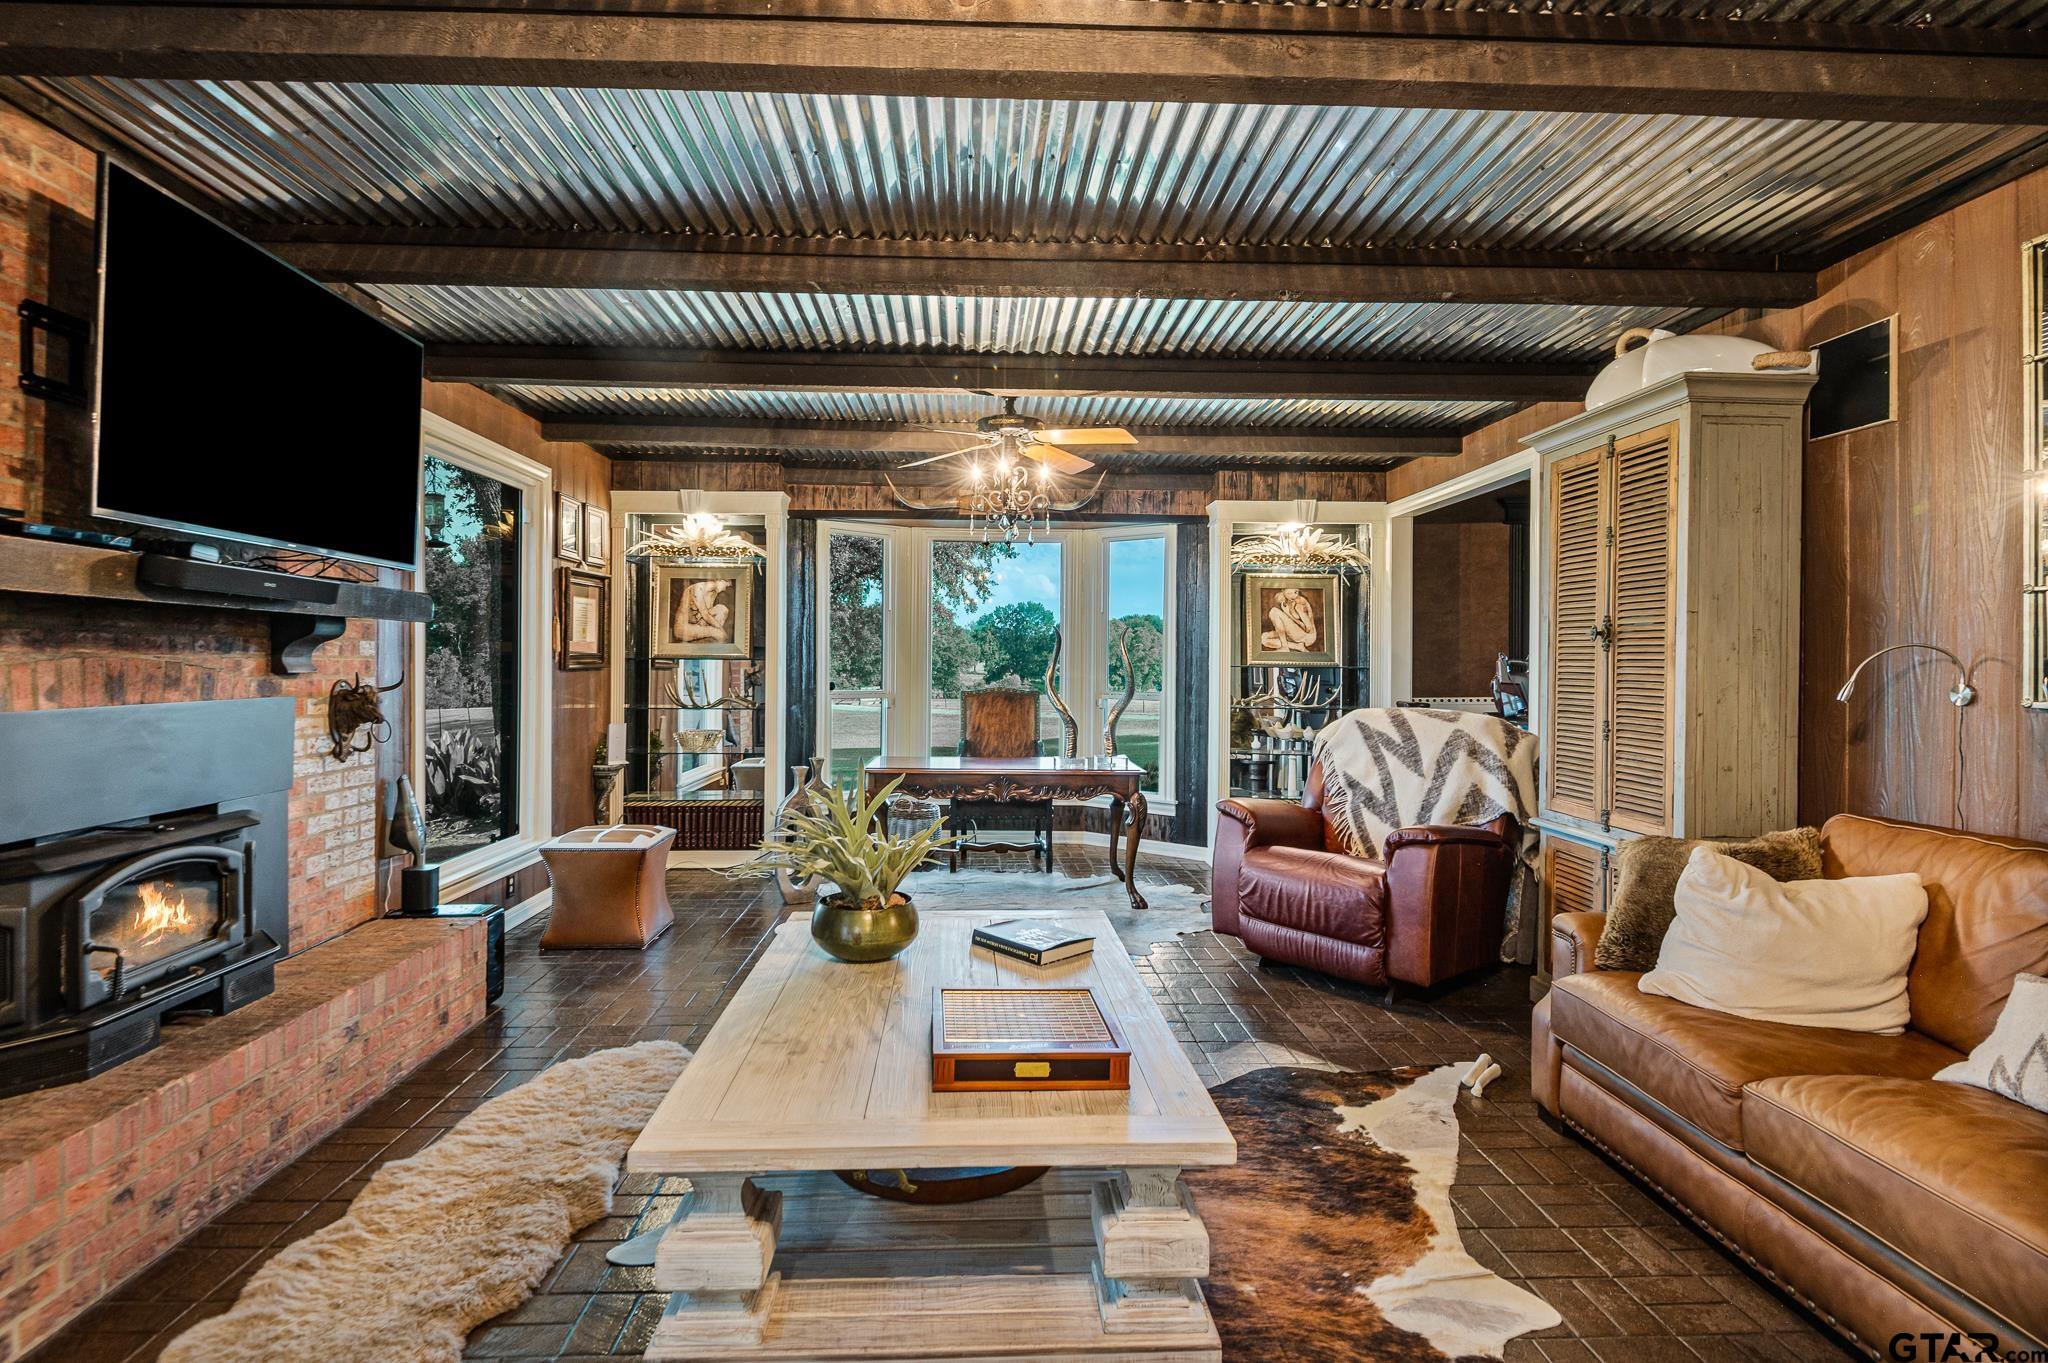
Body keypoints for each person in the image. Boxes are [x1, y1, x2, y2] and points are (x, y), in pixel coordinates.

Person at [1261, 586, 1320, 652]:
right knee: (1263, 638)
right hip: (1295, 634)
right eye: (1289, 593)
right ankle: (1297, 646)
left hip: (1307, 637)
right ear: (1283, 592)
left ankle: (1285, 647)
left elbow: (1308, 629)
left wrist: (1290, 616)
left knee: (1274, 611)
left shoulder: (1300, 603)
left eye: (1295, 592)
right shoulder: (1284, 603)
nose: (1293, 596)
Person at [674, 578, 732, 643]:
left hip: (697, 624)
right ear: (720, 580)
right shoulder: (697, 588)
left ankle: (706, 643)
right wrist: (721, 630)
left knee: (722, 609)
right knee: (718, 634)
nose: (724, 589)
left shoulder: (713, 593)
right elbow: (705, 615)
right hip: (684, 628)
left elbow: (705, 616)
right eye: (726, 585)